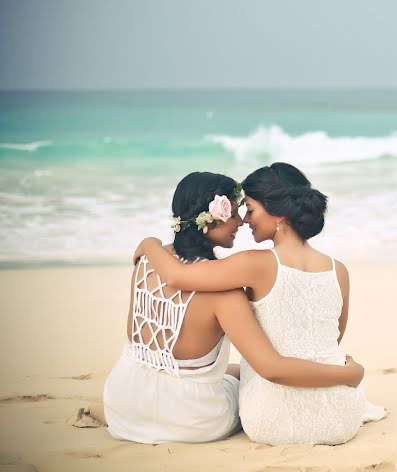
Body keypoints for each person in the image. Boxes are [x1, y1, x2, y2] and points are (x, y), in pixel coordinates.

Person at [103, 171, 364, 444]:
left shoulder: (146, 263)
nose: (242, 220)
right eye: (235, 211)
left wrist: (149, 242)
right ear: (210, 217)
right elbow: (278, 363)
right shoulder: (225, 291)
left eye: (247, 209)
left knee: (234, 370)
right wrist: (350, 373)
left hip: (123, 403)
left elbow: (175, 281)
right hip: (192, 420)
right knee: (240, 376)